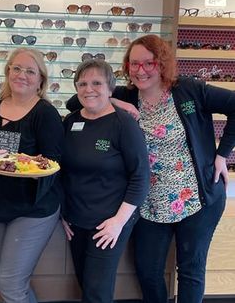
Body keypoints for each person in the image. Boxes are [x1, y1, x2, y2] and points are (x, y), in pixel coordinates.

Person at [66, 34, 235, 303]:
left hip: (197, 199)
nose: (141, 70)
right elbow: (75, 102)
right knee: (148, 272)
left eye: (149, 63)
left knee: (190, 271)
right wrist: (115, 100)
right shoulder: (126, 94)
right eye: (134, 64)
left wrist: (222, 155)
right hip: (148, 203)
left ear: (162, 64)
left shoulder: (189, 89)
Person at [0, 47, 64, 303]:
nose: (22, 75)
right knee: (8, 281)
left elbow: (55, 162)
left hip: (33, 208)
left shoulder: (45, 114)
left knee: (10, 283)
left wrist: (29, 168)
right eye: (17, 68)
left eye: (30, 71)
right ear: (8, 71)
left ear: (40, 80)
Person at [61, 58, 150, 303]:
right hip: (76, 219)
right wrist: (63, 212)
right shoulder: (70, 122)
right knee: (84, 281)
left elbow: (141, 177)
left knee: (96, 291)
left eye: (97, 83)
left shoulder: (124, 125)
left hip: (110, 221)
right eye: (82, 83)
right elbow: (61, 170)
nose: (89, 89)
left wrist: (118, 222)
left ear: (111, 89)